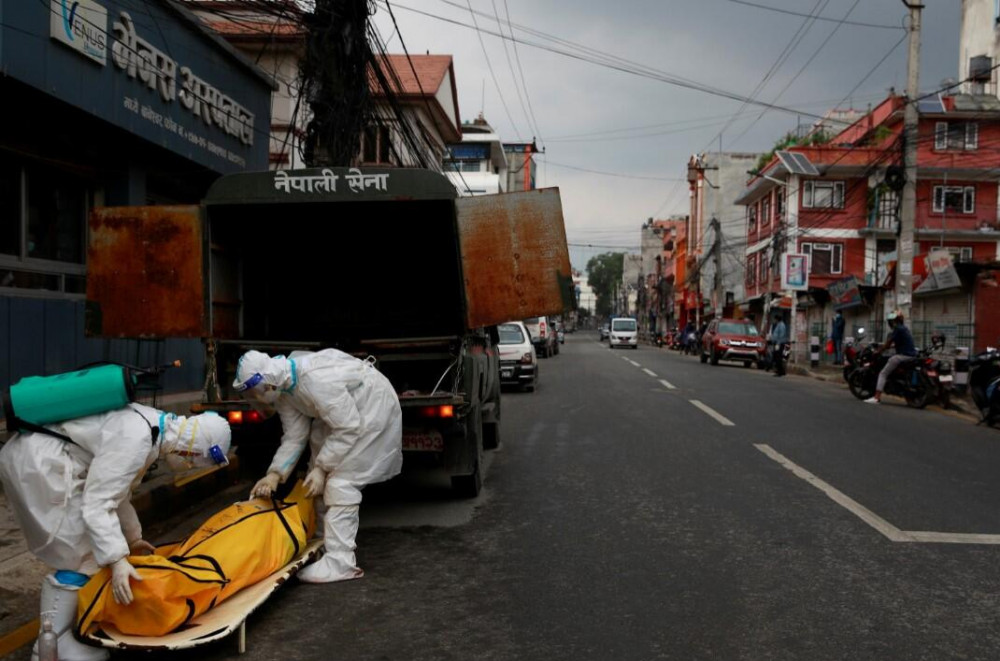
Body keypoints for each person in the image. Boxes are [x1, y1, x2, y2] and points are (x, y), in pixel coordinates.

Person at [0, 405, 231, 661]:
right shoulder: (139, 438)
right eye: (196, 459)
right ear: (198, 446)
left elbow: (118, 494)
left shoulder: (152, 428)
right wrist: (117, 559)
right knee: (80, 555)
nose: (190, 463)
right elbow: (99, 502)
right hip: (40, 464)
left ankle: (62, 636)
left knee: (87, 550)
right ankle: (50, 645)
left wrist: (132, 538)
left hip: (41, 458)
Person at [233, 349, 402, 583]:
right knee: (316, 467)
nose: (256, 399)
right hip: (346, 413)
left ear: (266, 384)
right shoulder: (285, 388)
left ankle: (340, 561)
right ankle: (323, 543)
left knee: (341, 480)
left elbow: (349, 426)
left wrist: (323, 469)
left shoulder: (315, 379)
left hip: (371, 407)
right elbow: (295, 436)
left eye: (254, 392)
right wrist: (274, 474)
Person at [864, 310, 918, 404]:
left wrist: (878, 351)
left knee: (883, 373)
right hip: (911, 355)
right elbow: (898, 343)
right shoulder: (904, 328)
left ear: (893, 321)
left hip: (903, 356)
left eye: (891, 321)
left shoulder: (897, 329)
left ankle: (876, 397)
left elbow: (888, 344)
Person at [769, 313, 789, 377]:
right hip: (777, 343)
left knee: (778, 357)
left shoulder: (781, 325)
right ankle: (781, 371)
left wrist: (778, 343)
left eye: (775, 319)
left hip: (779, 343)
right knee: (776, 357)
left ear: (777, 319)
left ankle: (779, 371)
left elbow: (781, 335)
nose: (774, 320)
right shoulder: (778, 325)